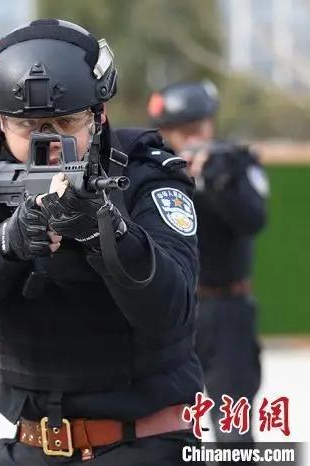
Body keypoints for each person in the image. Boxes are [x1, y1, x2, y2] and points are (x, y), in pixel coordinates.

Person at [0, 19, 204, 465]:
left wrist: (106, 233)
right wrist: (7, 242)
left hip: (145, 441)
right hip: (32, 443)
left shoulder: (147, 170)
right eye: (27, 126)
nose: (49, 142)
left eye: (65, 122)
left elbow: (171, 309)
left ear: (100, 115)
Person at [148, 81, 267, 450]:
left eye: (198, 129)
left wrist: (215, 179)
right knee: (164, 431)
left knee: (234, 434)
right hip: (169, 310)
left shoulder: (233, 165)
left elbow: (253, 219)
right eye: (181, 132)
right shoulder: (150, 171)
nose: (192, 139)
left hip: (226, 308)